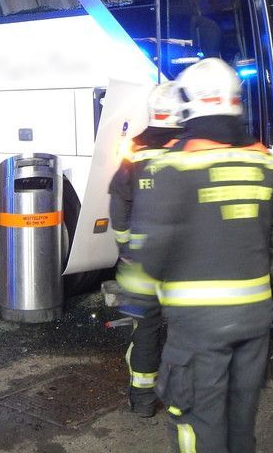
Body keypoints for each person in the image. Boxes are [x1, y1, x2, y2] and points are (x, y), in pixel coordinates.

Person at [132, 58, 273, 453]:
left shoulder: (172, 166)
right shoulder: (264, 161)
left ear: (188, 105)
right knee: (241, 417)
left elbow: (150, 250)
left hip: (197, 324)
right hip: (254, 316)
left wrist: (140, 295)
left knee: (196, 420)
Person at [108, 81, 183, 418]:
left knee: (147, 328)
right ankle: (182, 398)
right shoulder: (193, 150)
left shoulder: (134, 149)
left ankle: (142, 401)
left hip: (142, 261)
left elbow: (119, 202)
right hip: (184, 261)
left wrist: (125, 245)